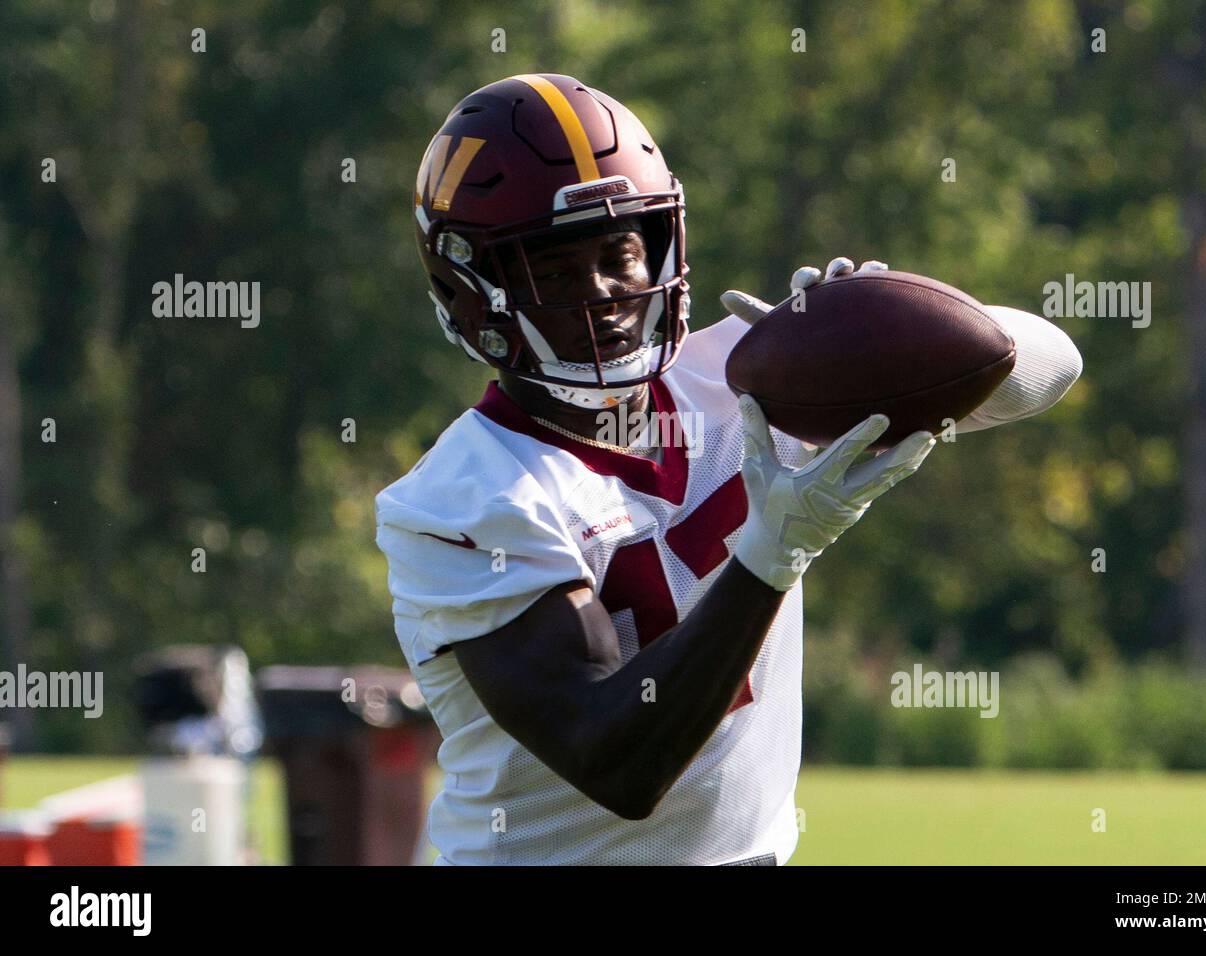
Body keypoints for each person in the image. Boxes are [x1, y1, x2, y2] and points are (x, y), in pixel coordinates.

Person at [376, 73, 1081, 865]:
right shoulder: (461, 501)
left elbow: (1054, 369)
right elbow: (617, 761)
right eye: (556, 271)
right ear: (472, 291)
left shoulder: (749, 376)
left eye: (621, 254)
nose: (603, 295)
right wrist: (770, 557)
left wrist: (894, 320)